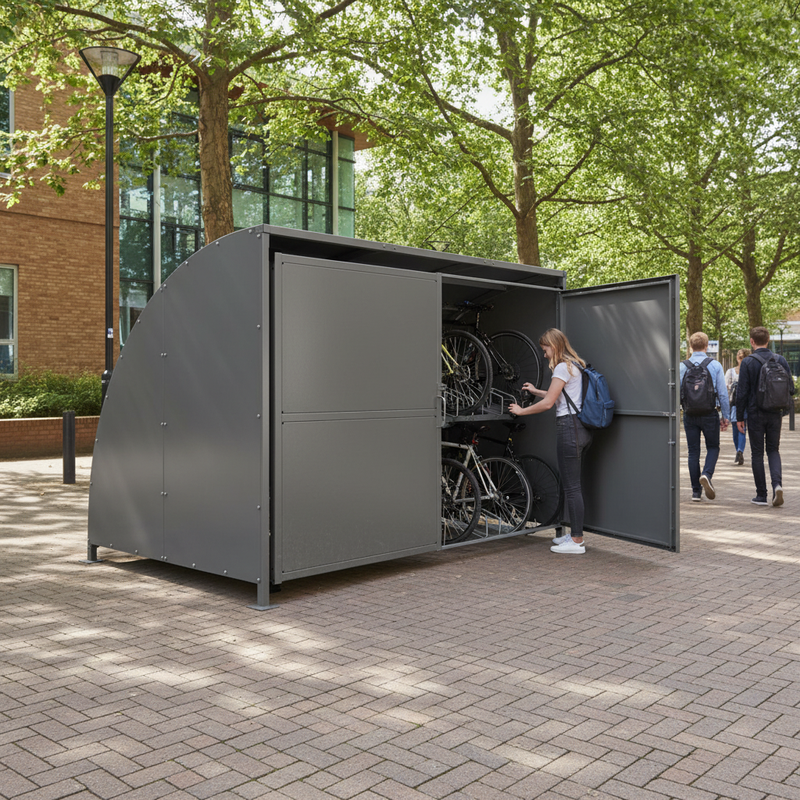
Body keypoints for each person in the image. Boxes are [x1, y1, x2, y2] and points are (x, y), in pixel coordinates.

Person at [508, 328, 592, 555]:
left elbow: (549, 404)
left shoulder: (563, 367)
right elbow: (559, 395)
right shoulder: (575, 365)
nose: (544, 354)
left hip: (569, 429)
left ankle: (576, 541)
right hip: (581, 429)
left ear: (553, 347)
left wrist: (521, 411)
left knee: (572, 487)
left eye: (545, 350)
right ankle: (574, 534)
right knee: (573, 485)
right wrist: (536, 391)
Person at [736, 326, 793, 507]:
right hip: (775, 413)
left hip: (755, 414)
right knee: (773, 450)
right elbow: (791, 388)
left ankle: (761, 495)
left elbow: (742, 393)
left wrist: (739, 417)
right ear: (768, 340)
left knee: (757, 453)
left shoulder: (747, 362)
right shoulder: (780, 360)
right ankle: (777, 486)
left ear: (752, 341)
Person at [680, 332, 730, 502]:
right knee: (713, 447)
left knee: (693, 451)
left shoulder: (682, 367)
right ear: (707, 346)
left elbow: (676, 393)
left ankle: (696, 492)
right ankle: (706, 474)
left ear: (690, 346)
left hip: (689, 414)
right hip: (709, 413)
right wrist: (725, 416)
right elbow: (722, 394)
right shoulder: (715, 365)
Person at [725, 349, 748, 465]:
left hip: (734, 404)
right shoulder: (750, 371)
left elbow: (725, 388)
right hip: (748, 404)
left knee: (736, 429)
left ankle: (738, 451)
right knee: (743, 428)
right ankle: (740, 450)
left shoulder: (731, 372)